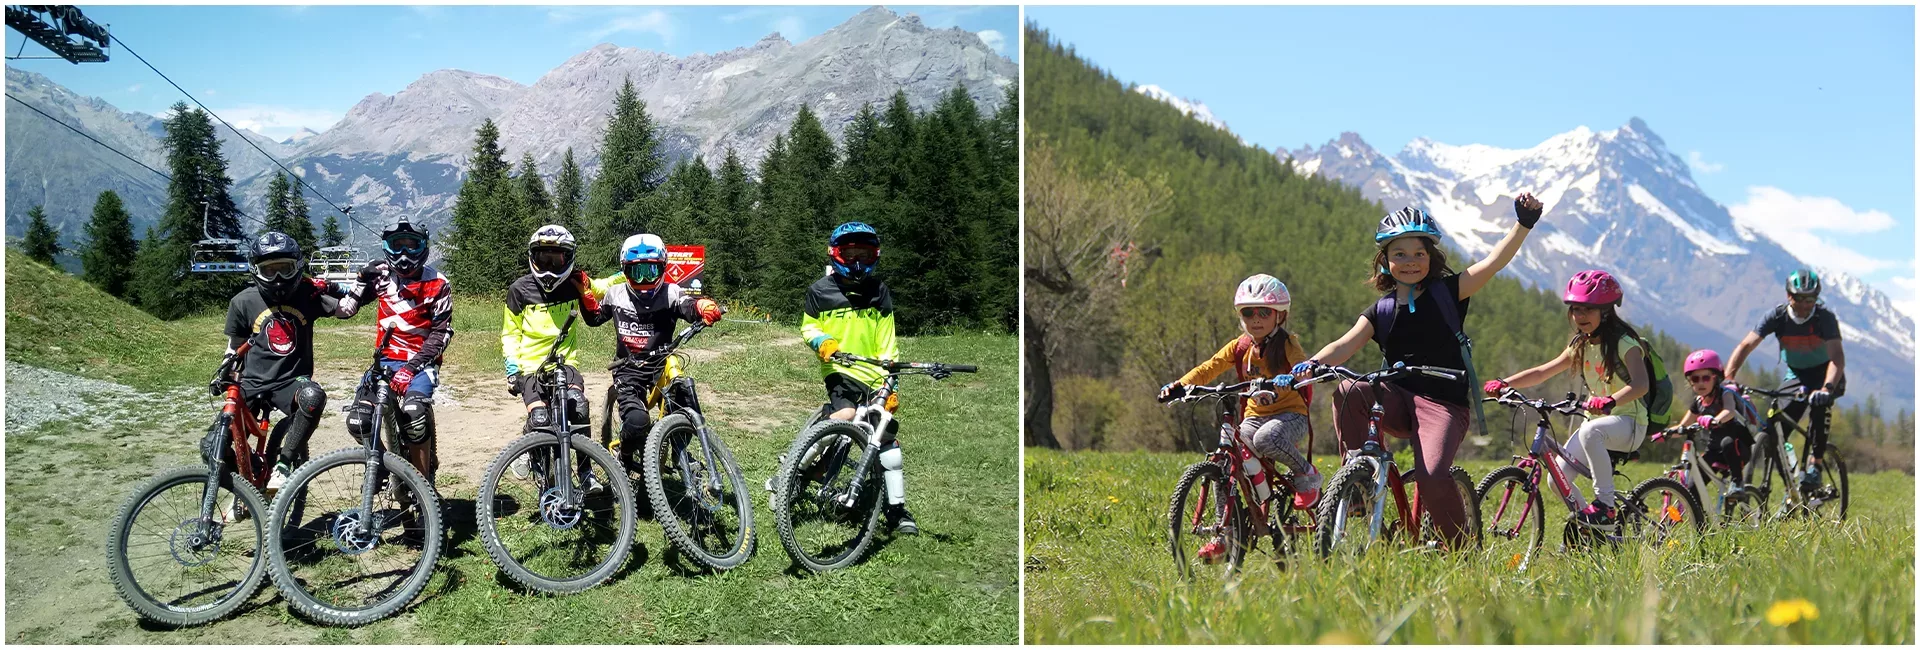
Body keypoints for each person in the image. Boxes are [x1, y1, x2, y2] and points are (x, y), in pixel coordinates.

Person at [1293, 194, 1544, 547]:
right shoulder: (1380, 309)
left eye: (1418, 254)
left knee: (1432, 475)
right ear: (1385, 261)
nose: (1409, 261)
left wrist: (1523, 223)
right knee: (1349, 391)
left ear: (1432, 258)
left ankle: (1461, 554)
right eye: (1399, 254)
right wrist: (1313, 364)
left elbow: (1493, 262)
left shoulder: (1448, 291)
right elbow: (1345, 344)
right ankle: (1359, 481)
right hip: (1396, 399)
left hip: (1444, 404)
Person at [1158, 274, 1320, 564]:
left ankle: (1306, 473)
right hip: (1254, 416)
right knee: (1226, 461)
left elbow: (1304, 368)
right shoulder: (1240, 347)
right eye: (1248, 312)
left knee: (1265, 438)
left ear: (1280, 315)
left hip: (1289, 416)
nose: (1255, 319)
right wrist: (1180, 385)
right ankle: (1225, 533)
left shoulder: (1286, 344)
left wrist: (1292, 377)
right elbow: (1210, 367)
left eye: (1264, 312)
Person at [1482, 270, 1651, 530]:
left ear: (1605, 312)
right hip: (1596, 425)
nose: (1579, 317)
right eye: (1575, 310)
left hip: (1630, 423)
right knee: (1556, 479)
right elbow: (1542, 371)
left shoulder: (1625, 343)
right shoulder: (1581, 345)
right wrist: (1506, 383)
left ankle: (1605, 507)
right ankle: (1591, 527)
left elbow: (1641, 384)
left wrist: (1611, 400)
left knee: (1590, 431)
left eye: (1587, 310)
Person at [799, 222, 913, 534]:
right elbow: (808, 328)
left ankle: (897, 510)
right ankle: (799, 467)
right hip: (840, 371)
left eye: (864, 254)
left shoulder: (879, 292)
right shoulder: (819, 291)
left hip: (875, 374)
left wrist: (891, 383)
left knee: (885, 436)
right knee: (846, 415)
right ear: (834, 254)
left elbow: (887, 342)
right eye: (849, 254)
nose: (857, 261)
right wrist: (824, 343)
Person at [218, 231, 346, 495]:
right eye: (269, 271)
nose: (277, 278)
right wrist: (225, 370)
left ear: (297, 267)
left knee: (313, 396)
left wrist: (354, 285)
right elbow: (234, 346)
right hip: (252, 382)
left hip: (292, 381)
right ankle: (246, 485)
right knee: (211, 447)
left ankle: (284, 463)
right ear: (256, 270)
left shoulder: (308, 293)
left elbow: (346, 308)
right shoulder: (242, 302)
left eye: (284, 269)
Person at [335, 215, 452, 484]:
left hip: (421, 364)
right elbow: (346, 311)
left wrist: (411, 369)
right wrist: (361, 280)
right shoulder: (381, 278)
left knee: (414, 415)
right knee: (359, 421)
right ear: (386, 247)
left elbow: (442, 333)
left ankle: (422, 487)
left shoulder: (438, 283)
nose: (404, 253)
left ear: (423, 247)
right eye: (397, 245)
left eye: (412, 245)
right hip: (385, 362)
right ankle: (383, 467)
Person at [593, 233, 723, 468]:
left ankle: (679, 450)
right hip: (628, 368)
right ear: (624, 270)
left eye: (650, 271)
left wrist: (703, 304)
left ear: (663, 268)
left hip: (661, 362)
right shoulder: (615, 294)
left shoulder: (672, 292)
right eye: (636, 271)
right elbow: (595, 317)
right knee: (637, 421)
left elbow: (689, 306)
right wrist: (583, 293)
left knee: (685, 399)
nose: (643, 279)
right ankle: (623, 454)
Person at [501, 225, 611, 487]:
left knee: (579, 407)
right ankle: (536, 459)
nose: (550, 266)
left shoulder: (575, 283)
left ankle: (586, 472)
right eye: (543, 258)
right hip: (530, 366)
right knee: (540, 420)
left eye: (557, 259)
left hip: (565, 362)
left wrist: (629, 273)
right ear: (533, 258)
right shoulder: (519, 290)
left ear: (569, 258)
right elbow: (510, 333)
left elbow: (604, 287)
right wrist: (512, 369)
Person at [1723, 268, 1845, 494]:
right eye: (1799, 298)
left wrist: (1827, 388)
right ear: (1789, 296)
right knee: (1774, 430)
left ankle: (1815, 465)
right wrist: (1728, 378)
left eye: (1811, 299)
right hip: (1797, 375)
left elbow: (1837, 358)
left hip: (1827, 374)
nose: (1805, 304)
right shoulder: (1776, 317)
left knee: (1820, 407)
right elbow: (1746, 346)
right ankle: (1792, 492)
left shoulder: (1824, 318)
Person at [1679, 349, 1757, 492]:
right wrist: (1663, 433)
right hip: (1714, 452)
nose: (1700, 383)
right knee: (1692, 489)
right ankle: (1698, 514)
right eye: (1695, 379)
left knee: (1726, 442)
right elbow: (1683, 425)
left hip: (1738, 448)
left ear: (1716, 378)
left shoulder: (1725, 394)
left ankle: (1737, 482)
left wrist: (1715, 420)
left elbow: (1729, 411)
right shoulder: (1698, 402)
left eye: (1706, 378)